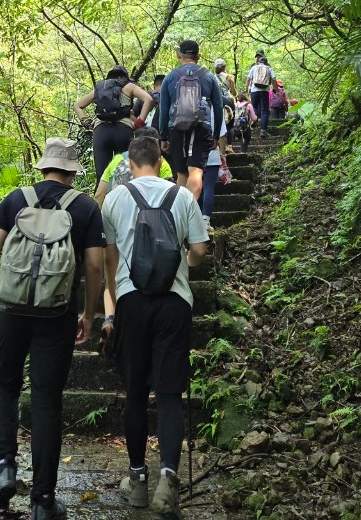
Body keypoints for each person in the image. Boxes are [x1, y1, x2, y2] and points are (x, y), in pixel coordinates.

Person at [0, 138, 105, 520]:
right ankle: (42, 501)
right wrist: (88, 315)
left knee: (4, 386)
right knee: (46, 400)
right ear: (73, 172)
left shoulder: (14, 199)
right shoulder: (85, 207)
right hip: (56, 315)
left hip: (9, 310)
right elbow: (94, 269)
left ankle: (4, 468)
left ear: (42, 168)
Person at [101, 130, 210, 520]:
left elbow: (109, 261)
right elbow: (199, 250)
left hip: (132, 303)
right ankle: (168, 478)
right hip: (174, 303)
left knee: (134, 393)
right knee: (168, 393)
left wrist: (112, 307)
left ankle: (137, 480)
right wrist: (184, 264)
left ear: (129, 165)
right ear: (161, 162)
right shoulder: (181, 196)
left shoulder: (114, 198)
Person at [158, 39, 224, 204]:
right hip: (202, 126)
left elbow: (164, 110)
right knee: (196, 172)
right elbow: (218, 106)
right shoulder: (208, 76)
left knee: (181, 174)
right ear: (198, 56)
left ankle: (181, 219)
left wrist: (163, 137)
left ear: (179, 55)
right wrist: (216, 135)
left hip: (176, 128)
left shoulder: (170, 77)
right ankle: (190, 215)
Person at [76, 66, 154, 185]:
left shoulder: (100, 88)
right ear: (125, 77)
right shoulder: (129, 86)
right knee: (125, 172)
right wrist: (140, 122)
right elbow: (148, 99)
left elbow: (77, 106)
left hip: (101, 132)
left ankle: (101, 201)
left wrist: (85, 120)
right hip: (123, 131)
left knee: (102, 175)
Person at [200, 112, 230, 225]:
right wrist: (223, 154)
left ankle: (195, 217)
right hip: (212, 154)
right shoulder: (215, 111)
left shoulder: (192, 107)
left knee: (197, 186)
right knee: (208, 187)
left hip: (195, 154)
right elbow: (221, 136)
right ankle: (206, 219)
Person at [246, 53, 275, 135]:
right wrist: (276, 89)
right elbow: (274, 79)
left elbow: (248, 79)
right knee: (265, 110)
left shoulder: (254, 67)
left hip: (254, 90)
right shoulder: (269, 68)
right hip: (264, 91)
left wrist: (246, 90)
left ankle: (253, 124)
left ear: (258, 62)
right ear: (266, 62)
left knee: (254, 108)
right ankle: (263, 130)